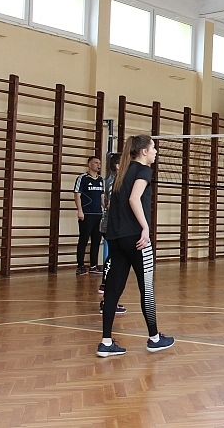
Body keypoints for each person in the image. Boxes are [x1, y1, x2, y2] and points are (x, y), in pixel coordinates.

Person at [96, 135, 174, 357]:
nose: (156, 152)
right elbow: (134, 199)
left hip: (116, 238)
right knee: (146, 289)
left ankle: (106, 342)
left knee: (113, 290)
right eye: (153, 148)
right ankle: (154, 338)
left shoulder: (122, 172)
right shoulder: (143, 170)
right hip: (136, 239)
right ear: (144, 152)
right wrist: (145, 227)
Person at [98, 152, 126, 315]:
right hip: (111, 225)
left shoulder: (113, 180)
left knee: (115, 260)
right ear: (117, 166)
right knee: (114, 261)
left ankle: (108, 298)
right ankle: (107, 299)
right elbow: (110, 204)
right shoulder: (114, 181)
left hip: (112, 225)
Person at [74, 156, 104, 276]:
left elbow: (102, 196)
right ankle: (80, 266)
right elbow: (77, 194)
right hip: (86, 214)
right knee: (83, 240)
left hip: (98, 214)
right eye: (96, 163)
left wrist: (106, 207)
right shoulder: (83, 178)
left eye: (99, 163)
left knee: (96, 240)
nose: (98, 165)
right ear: (89, 165)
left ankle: (93, 265)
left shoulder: (100, 179)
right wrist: (80, 210)